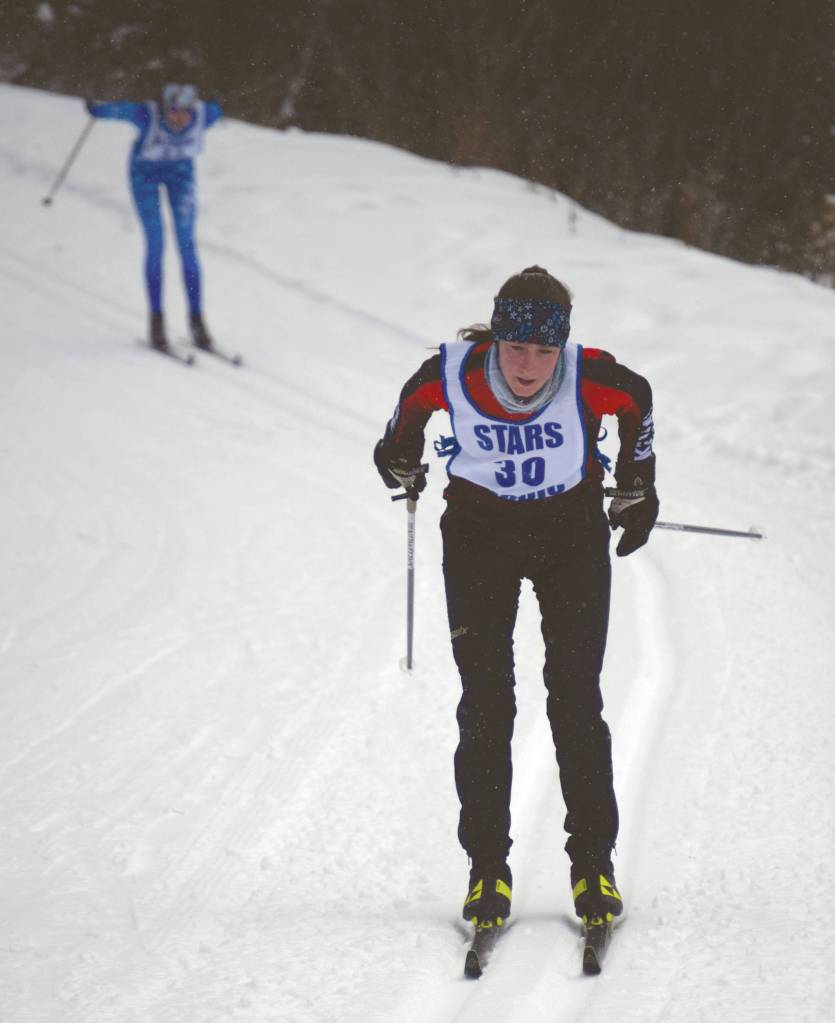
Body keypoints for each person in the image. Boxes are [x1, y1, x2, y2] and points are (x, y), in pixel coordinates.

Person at [373, 266, 658, 932]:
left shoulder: (589, 375)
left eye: (542, 349)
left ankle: (593, 863)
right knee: (485, 702)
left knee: (575, 698)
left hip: (570, 537)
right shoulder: (448, 373)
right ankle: (485, 867)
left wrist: (636, 481)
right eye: (515, 347)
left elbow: (637, 400)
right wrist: (399, 459)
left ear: (560, 344)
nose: (528, 365)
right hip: (480, 537)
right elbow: (401, 429)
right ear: (495, 336)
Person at [86, 84, 223, 351]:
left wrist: (217, 100)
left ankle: (197, 321)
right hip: (144, 177)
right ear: (164, 108)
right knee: (156, 244)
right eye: (173, 111)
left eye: (184, 111)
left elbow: (217, 108)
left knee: (187, 246)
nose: (178, 117)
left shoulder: (205, 115)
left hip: (181, 178)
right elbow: (118, 111)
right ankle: (156, 321)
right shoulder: (147, 115)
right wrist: (95, 109)